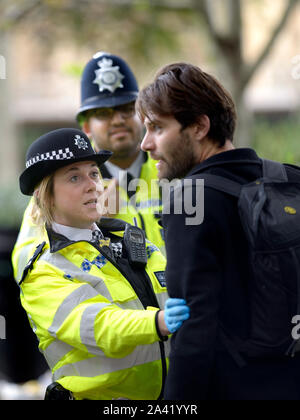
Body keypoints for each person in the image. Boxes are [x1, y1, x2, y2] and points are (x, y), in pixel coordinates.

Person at [136, 62, 300, 400]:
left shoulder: (189, 201)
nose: (145, 144)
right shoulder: (291, 180)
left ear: (199, 126)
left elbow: (194, 328)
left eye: (156, 128)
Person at [18, 127, 189, 400]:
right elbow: (101, 326)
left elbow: (177, 288)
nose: (93, 185)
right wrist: (158, 322)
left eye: (94, 173)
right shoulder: (44, 273)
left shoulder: (131, 239)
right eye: (74, 177)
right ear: (45, 195)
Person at [12, 52, 165, 285]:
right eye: (103, 113)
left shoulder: (172, 172)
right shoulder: (58, 188)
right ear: (87, 126)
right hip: (115, 310)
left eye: (126, 109)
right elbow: (24, 263)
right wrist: (93, 220)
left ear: (141, 116)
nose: (118, 121)